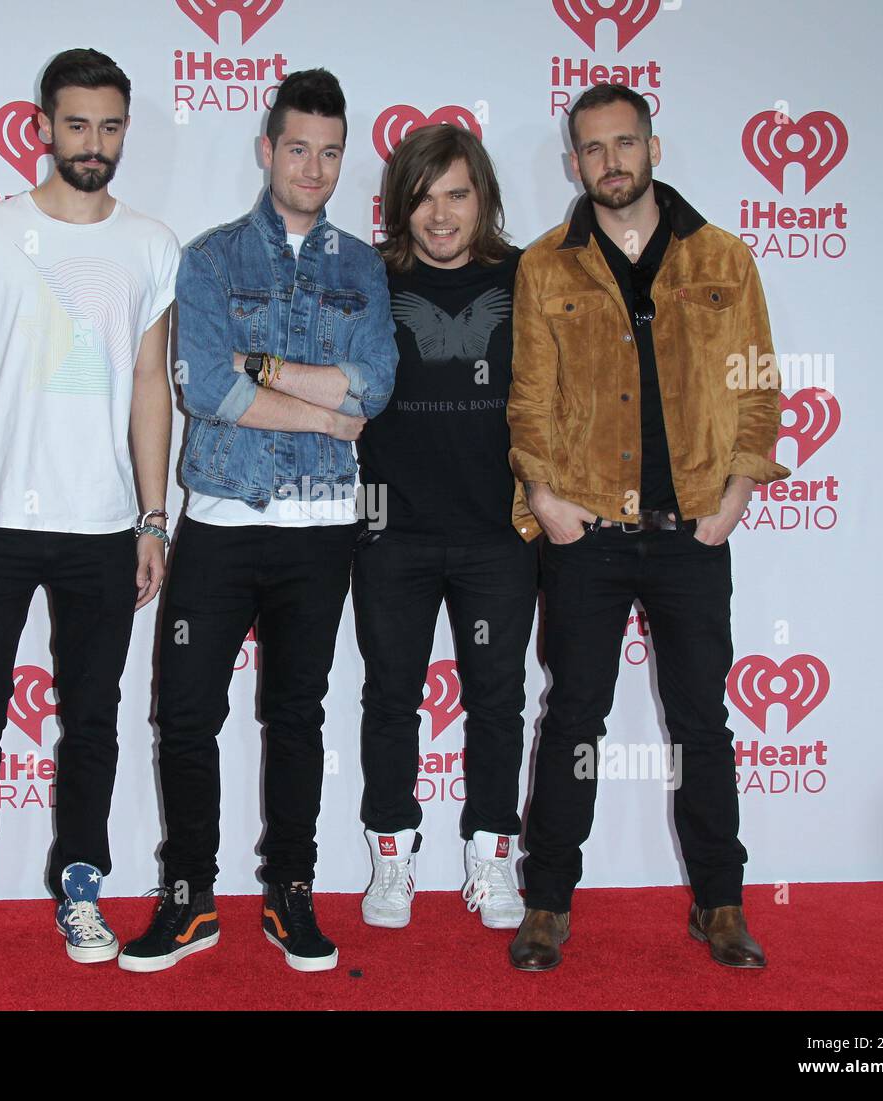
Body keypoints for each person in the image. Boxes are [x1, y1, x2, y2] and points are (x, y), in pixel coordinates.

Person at [0, 48, 179, 966]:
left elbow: (149, 384)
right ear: (42, 128)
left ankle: (83, 883)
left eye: (109, 127)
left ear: (124, 131)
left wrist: (151, 515)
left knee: (92, 714)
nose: (92, 144)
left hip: (101, 525)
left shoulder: (148, 244)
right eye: (76, 125)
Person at [119, 69, 397, 974]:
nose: (312, 167)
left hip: (321, 531)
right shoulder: (208, 259)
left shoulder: (362, 266)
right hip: (223, 523)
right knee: (187, 711)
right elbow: (204, 385)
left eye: (329, 151)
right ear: (266, 148)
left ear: (340, 158)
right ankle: (189, 895)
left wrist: (264, 370)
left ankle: (290, 889)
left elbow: (378, 384)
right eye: (296, 147)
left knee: (297, 714)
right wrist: (323, 410)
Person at [507, 84, 789, 972]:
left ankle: (723, 902)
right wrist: (548, 503)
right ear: (573, 162)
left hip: (691, 531)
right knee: (573, 720)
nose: (610, 162)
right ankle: (548, 902)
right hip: (586, 533)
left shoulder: (724, 259)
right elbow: (528, 401)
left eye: (624, 143)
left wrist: (736, 496)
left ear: (654, 147)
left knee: (703, 721)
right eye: (592, 149)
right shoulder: (546, 264)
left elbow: (757, 385)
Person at [353, 124, 535, 932]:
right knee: (391, 697)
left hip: (499, 533)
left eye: (456, 194)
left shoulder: (528, 274)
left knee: (497, 699)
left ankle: (492, 859)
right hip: (391, 531)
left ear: (483, 197)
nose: (439, 214)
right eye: (422, 197)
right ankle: (392, 860)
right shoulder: (369, 277)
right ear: (399, 204)